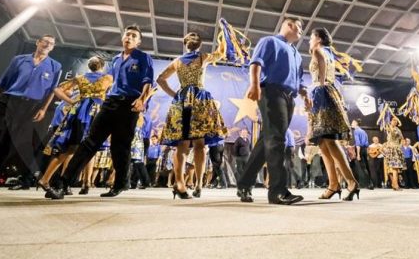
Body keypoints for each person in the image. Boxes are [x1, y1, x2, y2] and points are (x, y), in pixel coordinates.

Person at [47, 25, 154, 199]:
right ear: (123, 38)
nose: (129, 37)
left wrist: (142, 99)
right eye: (127, 34)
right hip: (110, 103)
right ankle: (63, 183)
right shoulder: (117, 60)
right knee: (89, 142)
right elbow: (110, 81)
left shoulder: (143, 58)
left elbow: (148, 80)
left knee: (120, 146)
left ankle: (120, 184)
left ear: (138, 41)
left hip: (130, 104)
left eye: (134, 36)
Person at [236, 17, 310, 205]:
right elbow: (256, 63)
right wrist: (254, 85)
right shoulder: (270, 41)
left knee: (267, 142)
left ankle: (244, 183)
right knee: (277, 140)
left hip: (289, 97)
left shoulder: (297, 54)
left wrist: (305, 94)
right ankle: (277, 191)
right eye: (299, 27)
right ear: (288, 25)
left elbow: (298, 79)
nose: (302, 31)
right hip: (271, 92)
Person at [0, 34, 62, 194]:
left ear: (52, 47)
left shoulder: (55, 66)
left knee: (6, 145)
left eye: (51, 44)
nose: (47, 45)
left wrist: (43, 109)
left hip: (28, 107)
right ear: (38, 42)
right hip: (7, 101)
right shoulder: (19, 60)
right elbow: (3, 82)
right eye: (45, 41)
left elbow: (52, 91)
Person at [156, 32, 228, 199]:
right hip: (195, 100)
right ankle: (187, 184)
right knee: (190, 144)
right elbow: (160, 79)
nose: (193, 37)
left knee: (193, 144)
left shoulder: (186, 60)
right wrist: (174, 95)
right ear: (189, 43)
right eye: (191, 36)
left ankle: (191, 184)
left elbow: (161, 79)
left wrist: (223, 35)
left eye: (195, 36)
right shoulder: (196, 58)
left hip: (188, 101)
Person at [38, 56, 112, 196]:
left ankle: (50, 180)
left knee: (70, 148)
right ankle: (65, 183)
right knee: (81, 149)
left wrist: (72, 101)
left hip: (78, 111)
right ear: (102, 66)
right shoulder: (108, 78)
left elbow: (58, 88)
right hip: (93, 113)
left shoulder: (81, 78)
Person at [305, 28, 360, 201]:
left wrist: (317, 90)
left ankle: (351, 182)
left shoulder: (317, 50)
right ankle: (333, 185)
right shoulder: (329, 53)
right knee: (322, 143)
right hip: (329, 93)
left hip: (322, 94)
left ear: (318, 39)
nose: (309, 41)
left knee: (329, 140)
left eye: (311, 37)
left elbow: (321, 78)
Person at [382, 120, 405, 191]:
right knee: (393, 168)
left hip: (396, 149)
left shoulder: (397, 129)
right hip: (391, 150)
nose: (394, 122)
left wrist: (400, 146)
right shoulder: (388, 129)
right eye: (393, 121)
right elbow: (390, 137)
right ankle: (395, 185)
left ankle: (395, 185)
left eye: (396, 121)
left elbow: (402, 138)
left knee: (396, 168)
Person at [352, 120, 374, 189]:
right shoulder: (363, 131)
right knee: (367, 167)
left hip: (360, 150)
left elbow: (358, 143)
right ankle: (371, 183)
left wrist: (358, 154)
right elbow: (367, 143)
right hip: (365, 150)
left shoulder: (356, 131)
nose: (351, 124)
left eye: (352, 123)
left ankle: (369, 184)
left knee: (363, 168)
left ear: (356, 123)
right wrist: (367, 154)